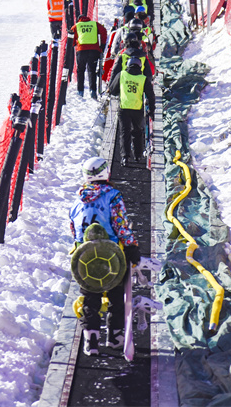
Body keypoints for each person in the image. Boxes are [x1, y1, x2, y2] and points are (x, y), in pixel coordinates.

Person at [69, 157, 141, 355]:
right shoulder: (112, 195)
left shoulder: (77, 200)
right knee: (116, 295)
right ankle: (115, 336)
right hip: (110, 255)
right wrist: (131, 246)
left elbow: (73, 228)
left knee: (89, 297)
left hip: (84, 257)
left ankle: (91, 339)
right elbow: (121, 224)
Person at [109, 57, 155, 167]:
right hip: (137, 108)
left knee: (124, 132)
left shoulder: (122, 74)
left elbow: (113, 90)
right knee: (137, 131)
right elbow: (151, 96)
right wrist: (152, 110)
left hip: (124, 107)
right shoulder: (143, 78)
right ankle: (138, 155)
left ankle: (125, 157)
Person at [70, 14, 107, 99]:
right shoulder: (94, 24)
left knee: (80, 70)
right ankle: (93, 91)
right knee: (92, 70)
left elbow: (71, 35)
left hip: (81, 50)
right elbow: (103, 31)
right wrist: (102, 45)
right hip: (94, 50)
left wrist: (73, 44)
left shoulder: (77, 25)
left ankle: (80, 91)